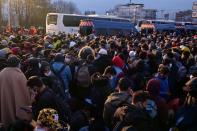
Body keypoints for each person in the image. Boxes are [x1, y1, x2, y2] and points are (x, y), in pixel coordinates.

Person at [0, 55, 31, 127]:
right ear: (17, 64)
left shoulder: (1, 73)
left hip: (4, 102)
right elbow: (24, 94)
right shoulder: (19, 75)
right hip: (18, 108)